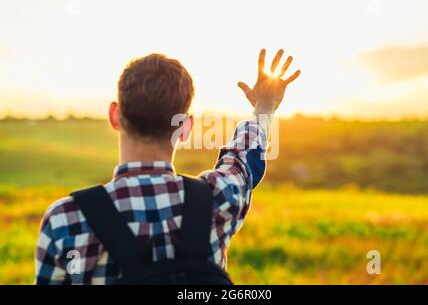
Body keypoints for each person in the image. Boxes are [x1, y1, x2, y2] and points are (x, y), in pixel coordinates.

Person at [34, 49, 301, 284]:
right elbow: (244, 159)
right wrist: (265, 106)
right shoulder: (218, 198)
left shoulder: (65, 221)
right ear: (184, 128)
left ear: (114, 116)